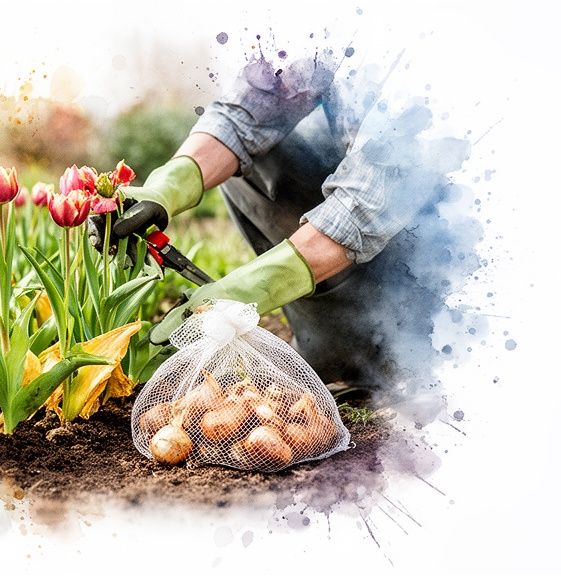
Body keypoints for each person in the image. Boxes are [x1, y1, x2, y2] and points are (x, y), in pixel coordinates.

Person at [90, 50, 474, 403]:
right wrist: (166, 188)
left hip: (447, 248)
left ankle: (411, 343)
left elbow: (368, 202)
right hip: (372, 203)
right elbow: (243, 115)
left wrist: (246, 290)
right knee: (249, 156)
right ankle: (338, 340)